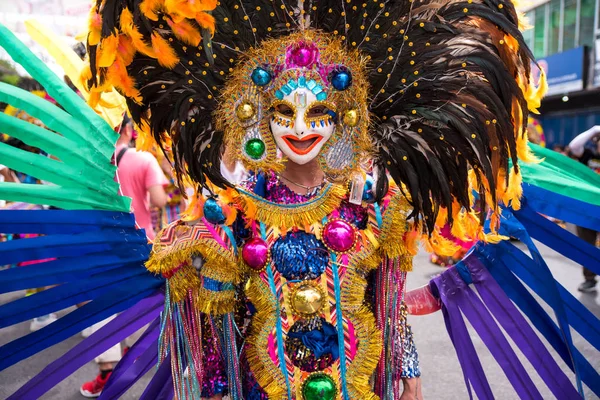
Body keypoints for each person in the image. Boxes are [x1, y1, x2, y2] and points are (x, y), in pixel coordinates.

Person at [1, 1, 599, 400]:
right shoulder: (231, 210)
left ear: (342, 116)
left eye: (319, 112)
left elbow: (385, 310)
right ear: (258, 115)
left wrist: (409, 380)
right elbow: (216, 330)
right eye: (285, 112)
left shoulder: (371, 204)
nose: (302, 126)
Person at [79, 117, 168, 398]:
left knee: (105, 306)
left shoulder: (93, 166)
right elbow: (159, 201)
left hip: (104, 245)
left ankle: (107, 370)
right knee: (153, 301)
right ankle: (161, 357)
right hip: (142, 243)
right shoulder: (143, 160)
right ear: (129, 130)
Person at [568, 126, 600, 292]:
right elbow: (574, 146)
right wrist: (594, 130)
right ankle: (589, 278)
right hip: (587, 210)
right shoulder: (589, 157)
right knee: (587, 246)